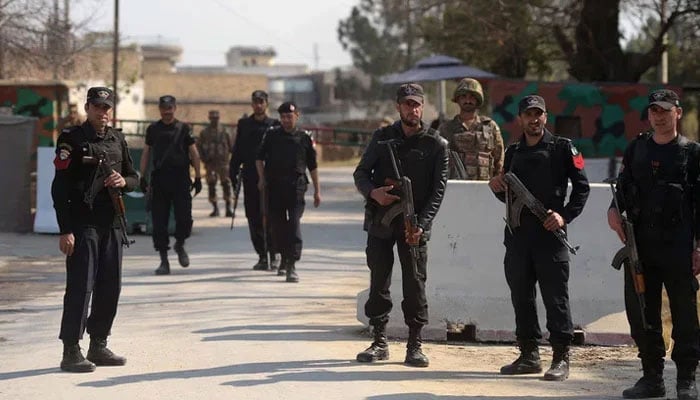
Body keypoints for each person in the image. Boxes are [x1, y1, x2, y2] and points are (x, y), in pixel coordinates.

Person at [488, 95, 589, 381]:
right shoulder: (513, 151)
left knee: (555, 298)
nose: (534, 119)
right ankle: (529, 354)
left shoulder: (563, 148)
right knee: (522, 297)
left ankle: (560, 357)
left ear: (545, 117)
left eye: (539, 114)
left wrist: (564, 215)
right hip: (518, 238)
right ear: (520, 119)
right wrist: (496, 187)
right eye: (528, 115)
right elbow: (508, 196)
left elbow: (582, 188)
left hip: (550, 236)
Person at [607, 89, 700, 400]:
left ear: (677, 113)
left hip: (679, 246)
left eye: (665, 110)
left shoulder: (692, 153)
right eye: (654, 112)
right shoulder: (637, 149)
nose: (659, 117)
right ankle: (652, 378)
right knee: (642, 313)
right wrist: (612, 212)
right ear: (648, 115)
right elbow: (620, 191)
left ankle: (686, 379)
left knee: (684, 313)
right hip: (640, 247)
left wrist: (699, 248)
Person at [353, 83, 449, 368]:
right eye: (407, 104)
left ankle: (415, 345)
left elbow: (438, 191)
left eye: (417, 104)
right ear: (399, 106)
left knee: (415, 284)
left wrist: (422, 223)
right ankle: (380, 341)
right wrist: (373, 193)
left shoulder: (436, 144)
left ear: (423, 106)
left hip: (414, 226)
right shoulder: (382, 138)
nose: (413, 109)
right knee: (378, 281)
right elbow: (361, 173)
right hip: (381, 223)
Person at [51, 87, 137, 372]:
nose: (103, 113)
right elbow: (59, 187)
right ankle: (71, 349)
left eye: (107, 108)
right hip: (82, 222)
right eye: (98, 107)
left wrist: (123, 182)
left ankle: (98, 343)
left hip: (111, 223)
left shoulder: (118, 140)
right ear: (88, 108)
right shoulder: (72, 140)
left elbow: (136, 178)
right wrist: (65, 229)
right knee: (80, 286)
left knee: (110, 285)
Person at [255, 101, 320, 283]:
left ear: (296, 116)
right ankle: (283, 258)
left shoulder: (304, 138)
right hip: (274, 187)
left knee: (293, 226)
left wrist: (317, 190)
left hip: (296, 188)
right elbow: (259, 158)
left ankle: (292, 264)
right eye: (283, 117)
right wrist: (261, 178)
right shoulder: (271, 136)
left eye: (289, 116)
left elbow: (313, 166)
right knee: (277, 227)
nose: (286, 120)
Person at [139, 95, 202, 275]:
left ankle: (180, 244)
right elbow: (146, 153)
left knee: (184, 219)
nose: (167, 112)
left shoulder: (183, 129)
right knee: (159, 223)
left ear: (175, 108)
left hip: (181, 181)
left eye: (170, 108)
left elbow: (194, 154)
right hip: (160, 182)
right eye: (164, 109)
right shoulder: (153, 129)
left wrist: (197, 177)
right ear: (160, 109)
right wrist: (142, 177)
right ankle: (164, 261)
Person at [230, 90, 280, 271]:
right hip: (250, 177)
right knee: (253, 217)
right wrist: (232, 172)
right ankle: (262, 255)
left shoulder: (275, 125)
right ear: (252, 104)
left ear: (266, 103)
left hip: (271, 179)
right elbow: (238, 151)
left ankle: (274, 254)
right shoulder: (244, 125)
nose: (258, 105)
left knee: (272, 217)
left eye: (261, 102)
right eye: (255, 102)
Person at [439, 77, 504, 180]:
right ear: (458, 99)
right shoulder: (446, 128)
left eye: (472, 97)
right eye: (464, 96)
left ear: (478, 100)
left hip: (484, 188)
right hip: (455, 189)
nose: (468, 100)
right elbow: (439, 162)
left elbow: (499, 162)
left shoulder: (490, 127)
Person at [198, 110, 233, 217]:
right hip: (210, 163)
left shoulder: (225, 131)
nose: (214, 120)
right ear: (209, 118)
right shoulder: (204, 133)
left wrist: (231, 161)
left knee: (226, 184)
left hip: (223, 162)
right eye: (212, 118)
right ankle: (215, 208)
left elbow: (231, 146)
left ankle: (228, 208)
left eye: (216, 118)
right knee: (211, 185)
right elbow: (199, 147)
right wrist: (204, 159)